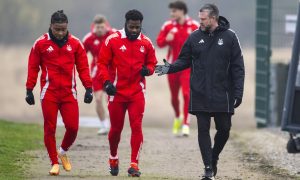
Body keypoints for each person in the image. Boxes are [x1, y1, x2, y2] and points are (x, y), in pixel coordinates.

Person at [155, 4, 245, 180]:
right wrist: (169, 68)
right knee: (203, 129)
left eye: (203, 19)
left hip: (223, 93)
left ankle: (214, 156)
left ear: (213, 18)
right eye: (199, 18)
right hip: (200, 91)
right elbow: (183, 60)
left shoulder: (230, 37)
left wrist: (238, 92)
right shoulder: (194, 37)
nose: (200, 22)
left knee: (225, 129)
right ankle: (208, 169)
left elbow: (238, 68)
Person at [25, 10, 93, 176]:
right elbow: (33, 67)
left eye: (63, 29)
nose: (61, 33)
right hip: (49, 93)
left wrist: (88, 88)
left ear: (67, 26)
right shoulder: (40, 44)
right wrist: (29, 89)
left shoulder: (76, 44)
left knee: (73, 127)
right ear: (51, 26)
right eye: (57, 29)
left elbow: (83, 68)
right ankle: (54, 162)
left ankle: (61, 152)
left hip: (69, 93)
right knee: (50, 128)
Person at [97, 9, 157, 177]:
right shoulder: (113, 40)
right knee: (116, 129)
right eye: (131, 27)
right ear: (126, 23)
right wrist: (107, 82)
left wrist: (148, 70)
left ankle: (134, 165)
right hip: (116, 92)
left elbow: (153, 63)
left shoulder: (146, 43)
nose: (134, 30)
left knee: (136, 126)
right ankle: (113, 157)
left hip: (137, 92)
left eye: (137, 27)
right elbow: (102, 63)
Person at [156, 1, 199, 136]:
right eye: (171, 11)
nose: (171, 14)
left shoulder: (194, 26)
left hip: (187, 67)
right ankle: (177, 117)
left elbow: (202, 44)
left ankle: (186, 124)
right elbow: (159, 42)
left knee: (186, 94)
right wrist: (167, 39)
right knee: (174, 97)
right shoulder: (168, 26)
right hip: (171, 67)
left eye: (174, 11)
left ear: (182, 11)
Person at [82, 15, 115, 135]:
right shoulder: (88, 39)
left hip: (112, 71)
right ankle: (104, 125)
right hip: (97, 71)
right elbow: (80, 55)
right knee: (98, 98)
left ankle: (114, 125)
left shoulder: (113, 35)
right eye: (98, 27)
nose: (100, 29)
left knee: (111, 100)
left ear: (106, 26)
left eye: (102, 27)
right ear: (94, 27)